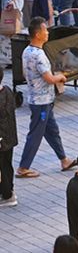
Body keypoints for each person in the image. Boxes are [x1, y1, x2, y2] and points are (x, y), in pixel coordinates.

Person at [15, 17, 74, 178]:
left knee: (52, 131)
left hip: (40, 99)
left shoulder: (27, 51)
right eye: (45, 30)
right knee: (36, 134)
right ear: (38, 34)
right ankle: (23, 167)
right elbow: (49, 78)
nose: (47, 32)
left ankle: (64, 160)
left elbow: (25, 73)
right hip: (41, 102)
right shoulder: (39, 55)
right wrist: (60, 77)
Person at [0, 68, 17, 207]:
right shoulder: (7, 91)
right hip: (10, 137)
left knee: (3, 168)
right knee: (7, 165)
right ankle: (8, 191)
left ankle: (7, 195)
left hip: (2, 139)